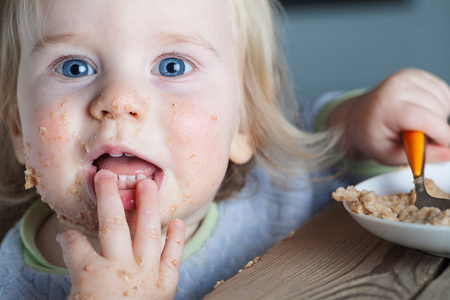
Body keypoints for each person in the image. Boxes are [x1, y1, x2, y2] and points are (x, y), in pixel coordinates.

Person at [1, 0, 449, 299]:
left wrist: (353, 118)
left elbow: (310, 131)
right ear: (19, 127)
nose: (119, 100)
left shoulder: (278, 188)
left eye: (172, 66)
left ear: (247, 121)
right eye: (75, 66)